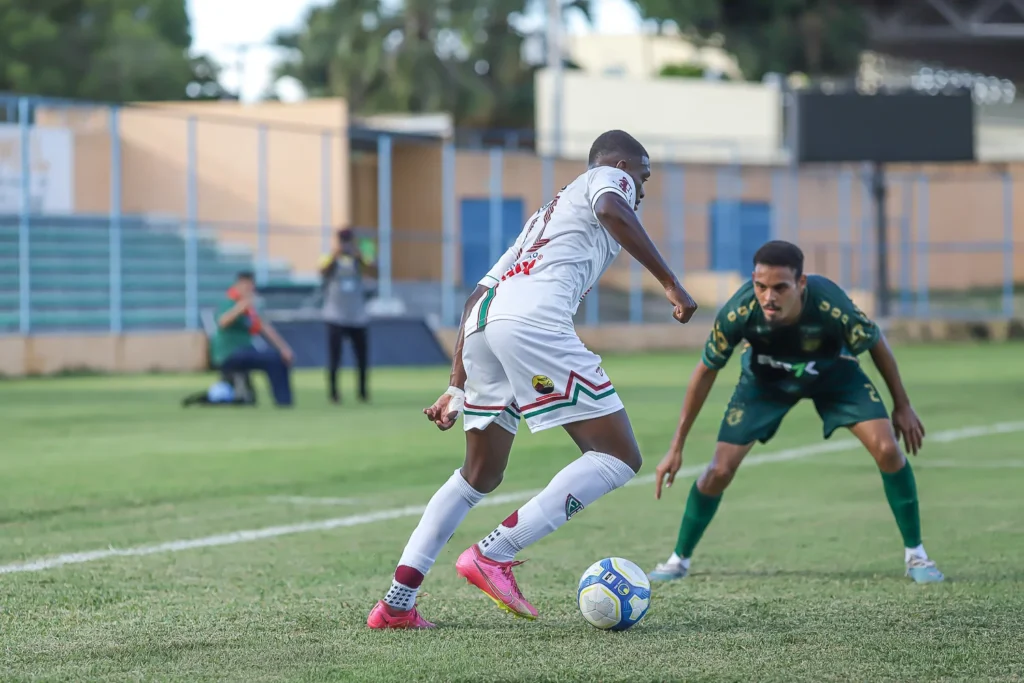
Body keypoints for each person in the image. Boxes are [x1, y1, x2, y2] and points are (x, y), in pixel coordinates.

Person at [367, 130, 699, 630]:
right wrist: (671, 282)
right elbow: (612, 205)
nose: (643, 190)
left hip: (486, 325)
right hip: (533, 324)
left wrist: (458, 384)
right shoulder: (608, 178)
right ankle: (493, 554)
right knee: (618, 456)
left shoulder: (543, 219)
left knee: (478, 475)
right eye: (644, 176)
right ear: (621, 163)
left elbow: (475, 297)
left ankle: (396, 603)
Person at [648, 240, 944, 584]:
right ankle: (678, 560)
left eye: (779, 287)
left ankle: (917, 556)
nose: (768, 297)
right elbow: (705, 371)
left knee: (887, 449)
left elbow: (876, 342)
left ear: (800, 284)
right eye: (760, 286)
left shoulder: (830, 303)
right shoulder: (740, 310)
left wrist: (902, 406)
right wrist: (676, 446)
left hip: (835, 375)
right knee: (718, 471)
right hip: (765, 382)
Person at [210, 271, 295, 407]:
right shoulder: (229, 302)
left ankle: (284, 400)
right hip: (229, 354)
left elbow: (266, 328)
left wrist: (284, 348)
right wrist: (240, 307)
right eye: (246, 286)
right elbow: (222, 322)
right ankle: (283, 401)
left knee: (278, 358)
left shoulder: (251, 310)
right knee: (272, 358)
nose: (249, 289)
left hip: (246, 351)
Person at [320, 228, 375, 404]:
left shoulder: (359, 258)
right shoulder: (331, 256)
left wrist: (358, 256)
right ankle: (334, 393)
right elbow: (322, 271)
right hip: (335, 315)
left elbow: (373, 269)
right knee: (334, 357)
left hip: (357, 316)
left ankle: (363, 392)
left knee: (362, 358)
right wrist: (336, 256)